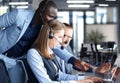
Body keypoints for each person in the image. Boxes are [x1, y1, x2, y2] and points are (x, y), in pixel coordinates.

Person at [27, 19, 104, 83]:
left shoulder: (49, 52)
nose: (61, 41)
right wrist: (77, 82)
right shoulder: (33, 53)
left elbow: (60, 76)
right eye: (60, 37)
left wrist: (86, 78)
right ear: (50, 35)